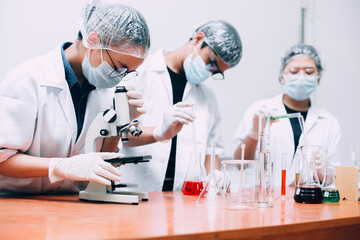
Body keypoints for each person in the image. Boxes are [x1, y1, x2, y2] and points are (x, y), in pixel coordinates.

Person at [0, 0, 151, 194]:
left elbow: (102, 158)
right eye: (119, 67)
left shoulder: (104, 88)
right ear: (93, 40)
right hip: (17, 203)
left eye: (128, 72)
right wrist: (61, 166)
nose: (120, 77)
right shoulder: (27, 79)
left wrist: (119, 122)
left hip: (71, 205)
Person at [120, 20, 242, 192]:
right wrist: (158, 132)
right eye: (210, 62)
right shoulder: (139, 74)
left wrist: (214, 174)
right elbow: (119, 134)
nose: (209, 71)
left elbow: (211, 149)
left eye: (216, 72)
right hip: (138, 191)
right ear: (198, 39)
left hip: (184, 197)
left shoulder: (208, 98)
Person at [233, 43, 341, 186]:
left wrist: (324, 170)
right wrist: (254, 133)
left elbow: (334, 180)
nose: (301, 77)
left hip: (306, 205)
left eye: (309, 72)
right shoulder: (260, 110)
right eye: (294, 71)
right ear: (282, 76)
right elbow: (239, 163)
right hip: (263, 202)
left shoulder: (328, 122)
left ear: (318, 79)